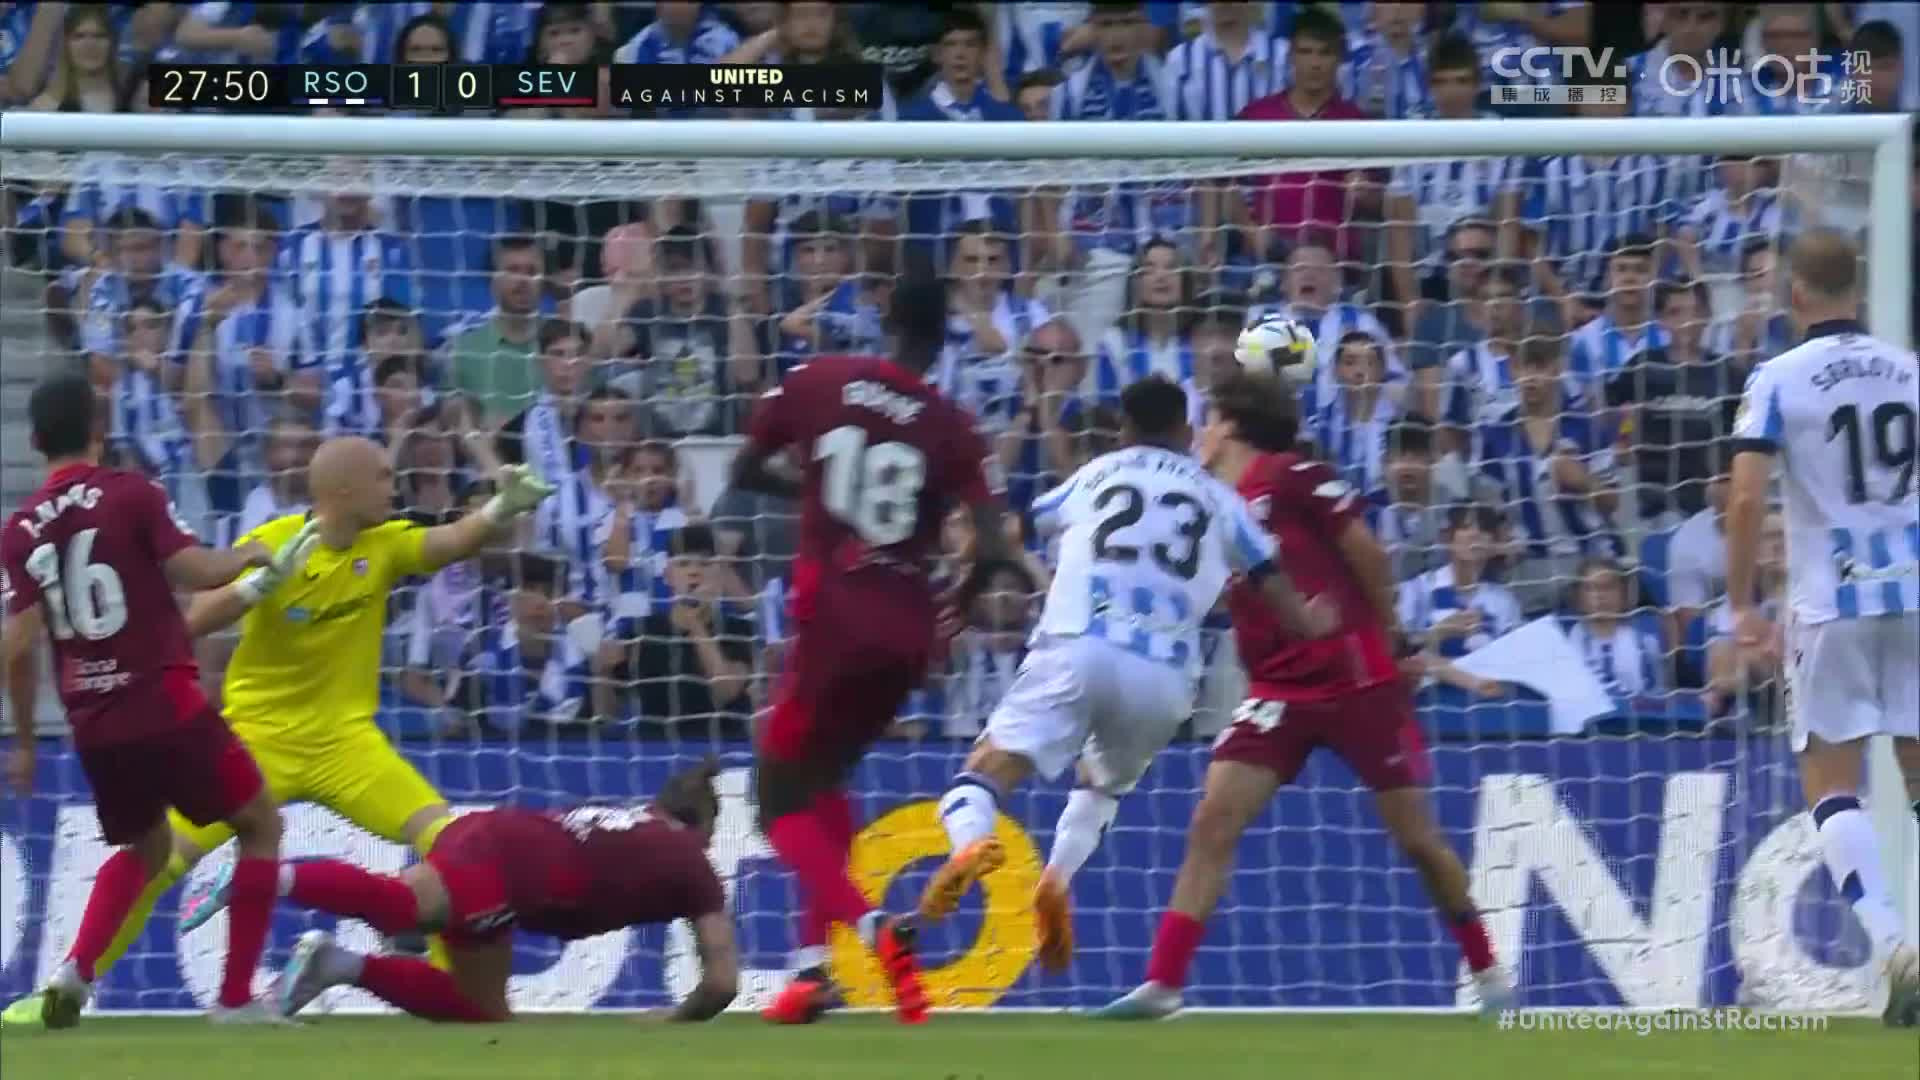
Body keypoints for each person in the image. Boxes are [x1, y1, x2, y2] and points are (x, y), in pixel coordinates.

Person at [0, 437, 555, 1026]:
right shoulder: (277, 541)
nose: (393, 488)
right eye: (383, 477)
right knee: (162, 857)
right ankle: (71, 984)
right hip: (258, 739)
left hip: (348, 745)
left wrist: (501, 508)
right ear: (344, 488)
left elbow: (452, 541)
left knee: (452, 842)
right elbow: (194, 619)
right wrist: (254, 588)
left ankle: (455, 987)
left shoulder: (387, 544)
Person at [1096, 372, 1513, 1020]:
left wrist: (1392, 637)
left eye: (1210, 419)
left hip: (1358, 681)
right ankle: (1163, 984)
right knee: (1212, 820)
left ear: (1231, 425)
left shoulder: (1294, 475)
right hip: (1277, 689)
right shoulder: (1208, 505)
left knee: (1417, 840)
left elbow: (1369, 555)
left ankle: (1488, 973)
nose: (1201, 433)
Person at [918, 374, 1335, 973]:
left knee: (987, 768)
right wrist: (1313, 620)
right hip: (1165, 679)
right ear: (1185, 431)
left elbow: (1008, 533)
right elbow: (1277, 590)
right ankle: (1056, 879)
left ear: (1124, 430)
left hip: (1080, 646)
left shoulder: (1095, 475)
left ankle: (969, 847)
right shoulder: (1223, 501)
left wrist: (963, 583)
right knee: (1100, 785)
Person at [731, 275, 1012, 1026]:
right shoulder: (954, 425)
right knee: (826, 777)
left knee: (775, 798)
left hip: (834, 615)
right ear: (943, 338)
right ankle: (811, 971)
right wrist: (962, 599)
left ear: (883, 318)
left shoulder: (817, 379)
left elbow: (744, 469)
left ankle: (872, 927)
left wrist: (816, 490)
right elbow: (993, 544)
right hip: (908, 629)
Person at [0, 373, 316, 1025]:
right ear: (100, 429)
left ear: (34, 440)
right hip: (163, 703)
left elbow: (17, 645)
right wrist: (253, 553)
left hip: (93, 724)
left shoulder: (20, 529)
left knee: (145, 848)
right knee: (260, 823)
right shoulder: (132, 493)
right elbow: (194, 570)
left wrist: (26, 742)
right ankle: (235, 1000)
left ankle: (74, 972)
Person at [1723, 229, 1920, 1026]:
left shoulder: (1778, 377)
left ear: (1796, 294)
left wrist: (1741, 601)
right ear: (1858, 290)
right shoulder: (1910, 369)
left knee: (1829, 784)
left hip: (1831, 604)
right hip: (1916, 593)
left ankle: (1893, 943)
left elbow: (1745, 497)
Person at [185, 761, 738, 1024]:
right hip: (508, 869)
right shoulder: (692, 860)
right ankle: (261, 877)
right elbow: (721, 983)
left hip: (492, 835)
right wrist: (674, 1018)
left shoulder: (632, 822)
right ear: (702, 826)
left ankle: (331, 961)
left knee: (480, 1005)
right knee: (405, 910)